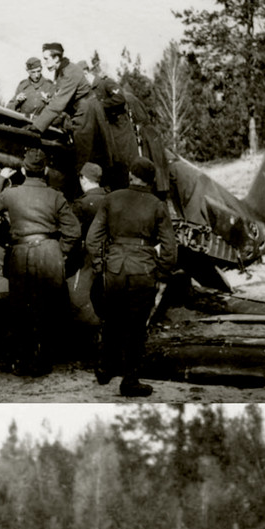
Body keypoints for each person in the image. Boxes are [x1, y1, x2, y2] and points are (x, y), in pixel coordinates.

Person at [0, 148, 81, 376]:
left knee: (21, 308)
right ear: (45, 170)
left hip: (20, 254)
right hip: (49, 253)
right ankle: (43, 359)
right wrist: (59, 251)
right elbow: (73, 231)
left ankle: (23, 360)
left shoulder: (11, 194)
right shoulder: (56, 196)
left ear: (24, 169)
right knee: (49, 307)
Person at [86, 156, 177, 397]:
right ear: (150, 181)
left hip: (114, 269)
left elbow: (92, 239)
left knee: (112, 319)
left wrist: (99, 265)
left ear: (131, 177)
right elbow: (170, 248)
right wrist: (161, 271)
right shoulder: (158, 205)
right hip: (143, 271)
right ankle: (129, 381)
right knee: (136, 327)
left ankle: (104, 366)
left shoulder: (111, 199)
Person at [31, 43, 113, 173]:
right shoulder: (61, 70)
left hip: (86, 111)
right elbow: (56, 95)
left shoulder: (70, 72)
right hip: (83, 110)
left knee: (84, 155)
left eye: (46, 59)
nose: (44, 62)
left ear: (56, 58)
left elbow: (58, 104)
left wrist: (36, 127)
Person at [79, 61, 138, 188]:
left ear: (86, 73)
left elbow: (120, 98)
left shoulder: (105, 83)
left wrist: (100, 106)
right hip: (107, 133)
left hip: (119, 131)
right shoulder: (89, 91)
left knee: (124, 165)